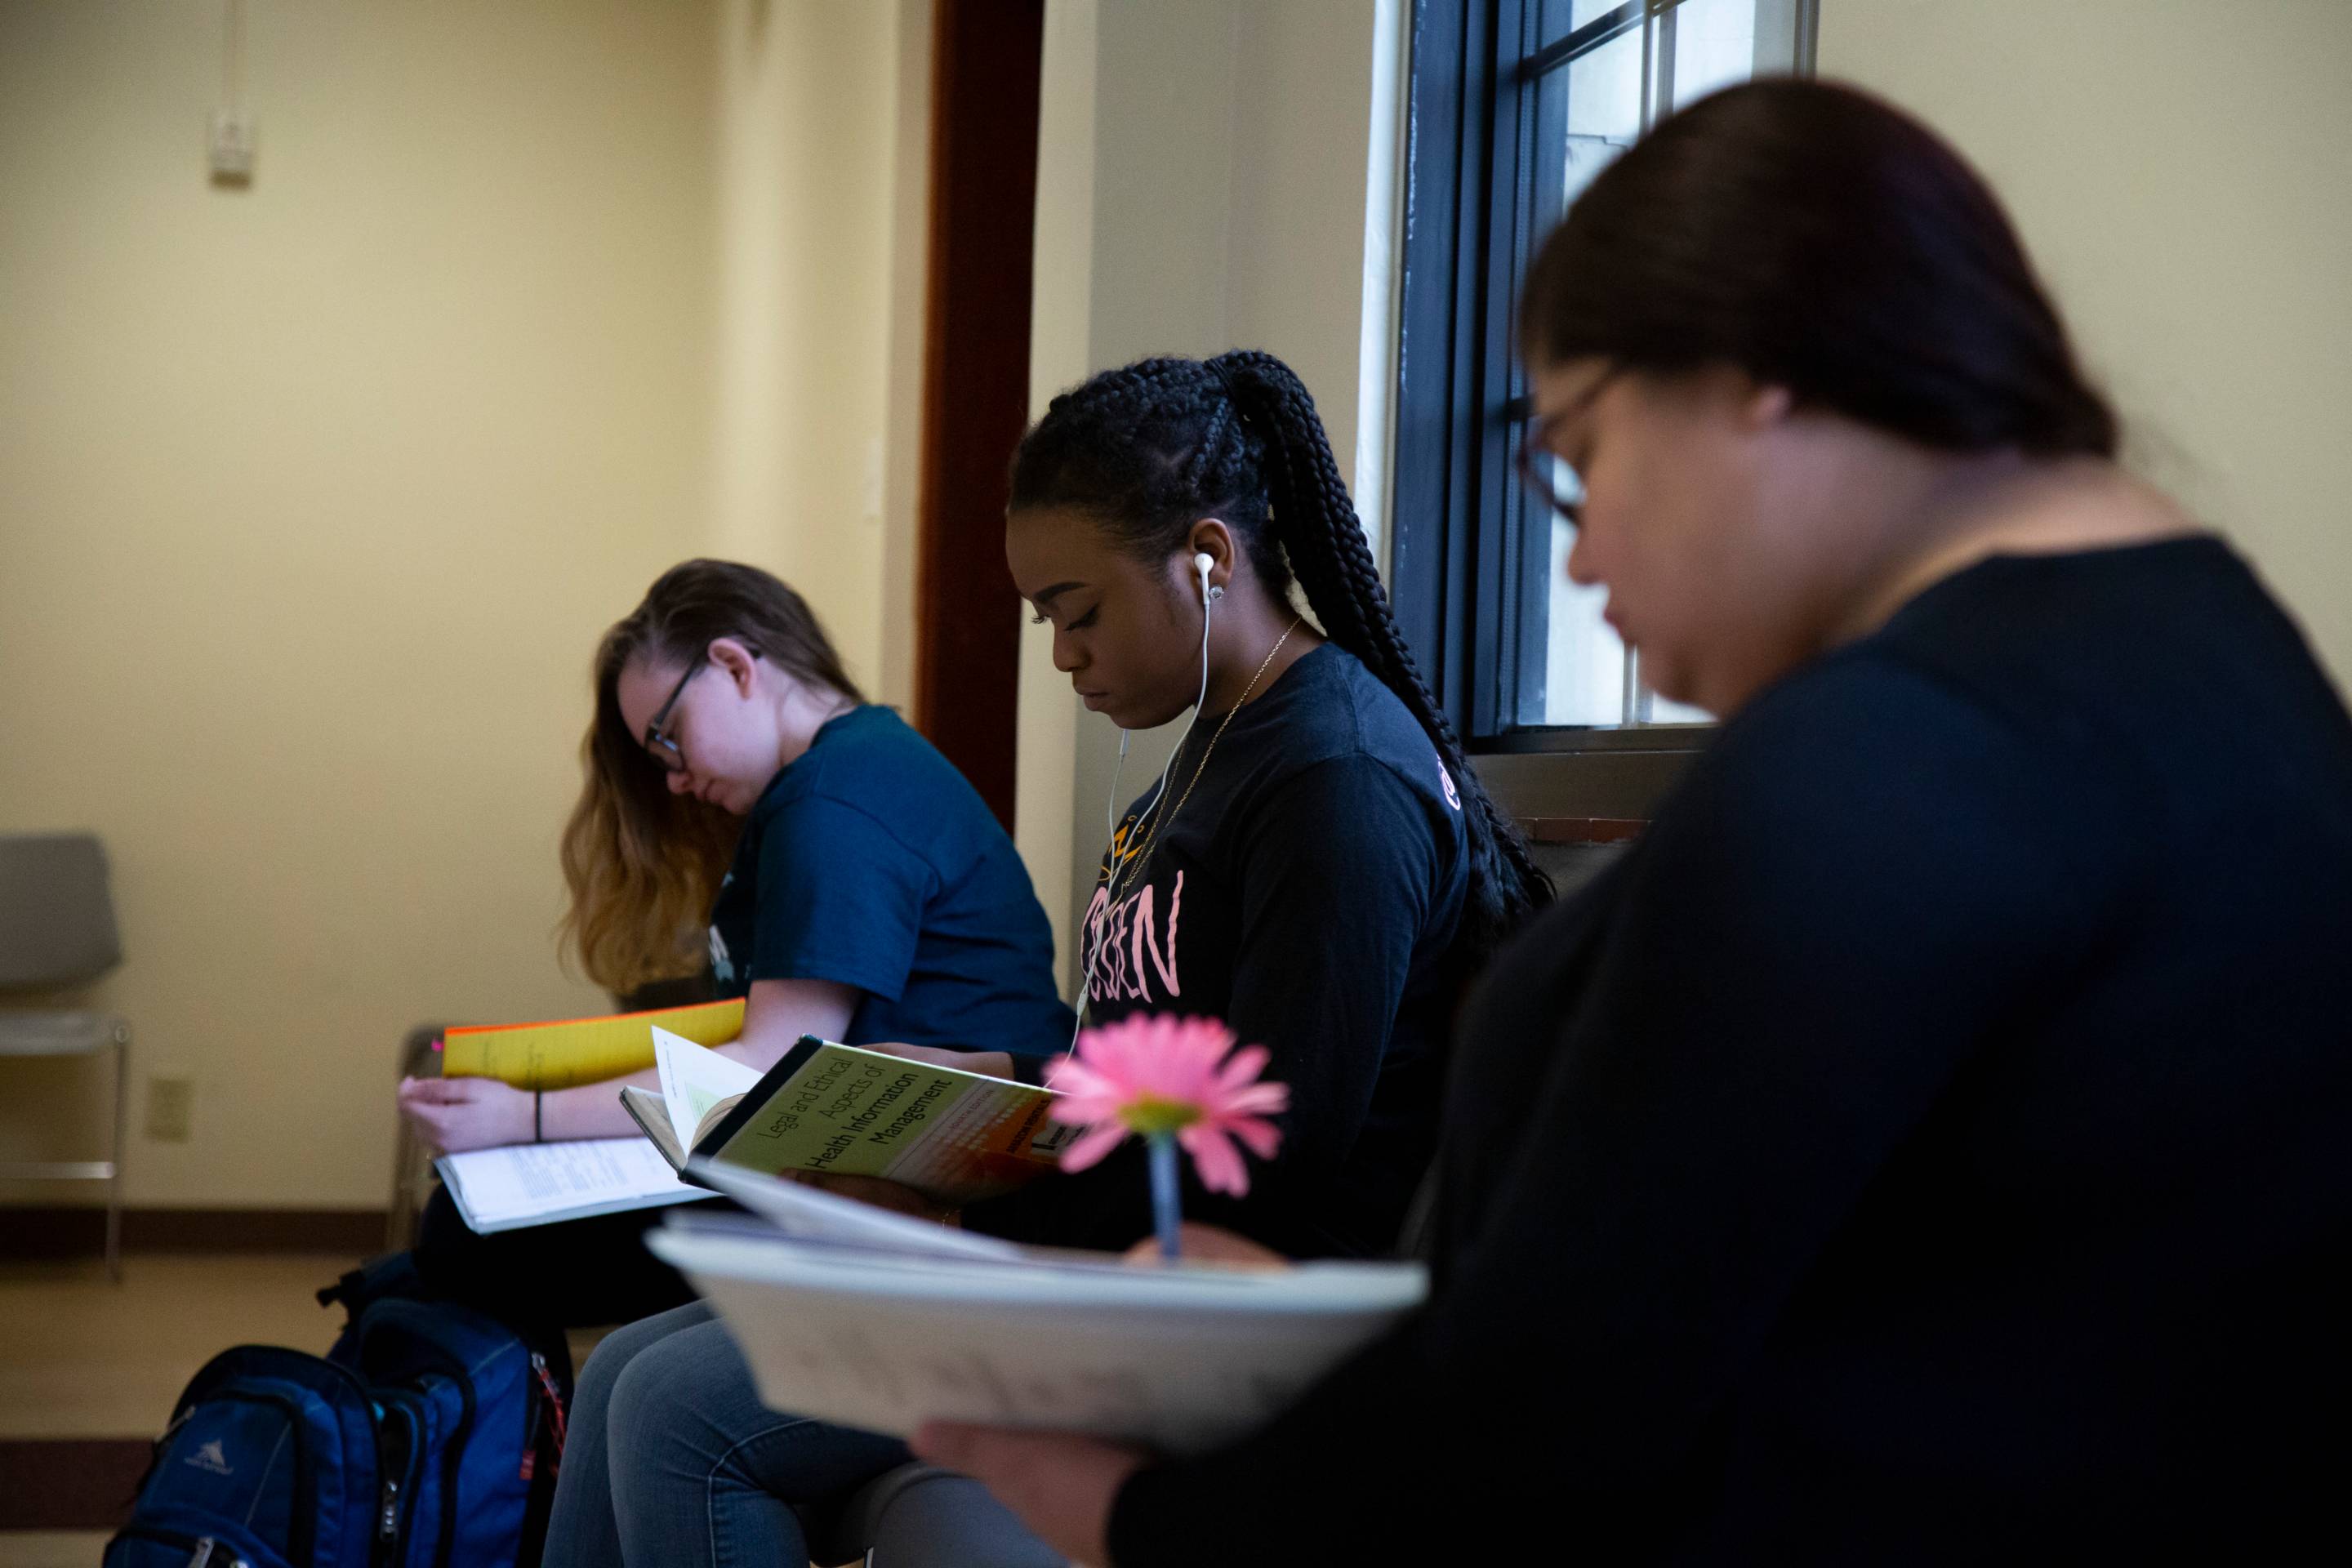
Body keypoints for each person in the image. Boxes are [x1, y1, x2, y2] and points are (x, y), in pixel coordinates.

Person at [916, 79, 2352, 1563]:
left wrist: (1147, 1517)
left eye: (1584, 455)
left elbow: (1563, 1402)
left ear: (1760, 375)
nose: (1586, 547)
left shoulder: (1898, 763)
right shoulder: (2234, 679)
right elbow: (1874, 1272)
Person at [540, 350, 1554, 1567]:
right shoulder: (1214, 742)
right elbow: (1150, 1049)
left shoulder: (1332, 779)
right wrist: (986, 1077)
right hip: (1092, 1256)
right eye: (1046, 623)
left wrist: (963, 1199)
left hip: (1208, 1312)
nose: (1064, 655)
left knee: (676, 1412)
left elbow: (1265, 1166)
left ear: (1209, 558)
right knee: (632, 1372)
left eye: (1079, 612)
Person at [398, 558, 1074, 1329]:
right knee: (464, 1234)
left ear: (733, 665)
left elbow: (763, 1070)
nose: (676, 782)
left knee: (467, 1239)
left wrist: (526, 1117)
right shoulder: (853, 766)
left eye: (669, 738)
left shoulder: (832, 801)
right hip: (868, 1161)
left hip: (936, 1188)